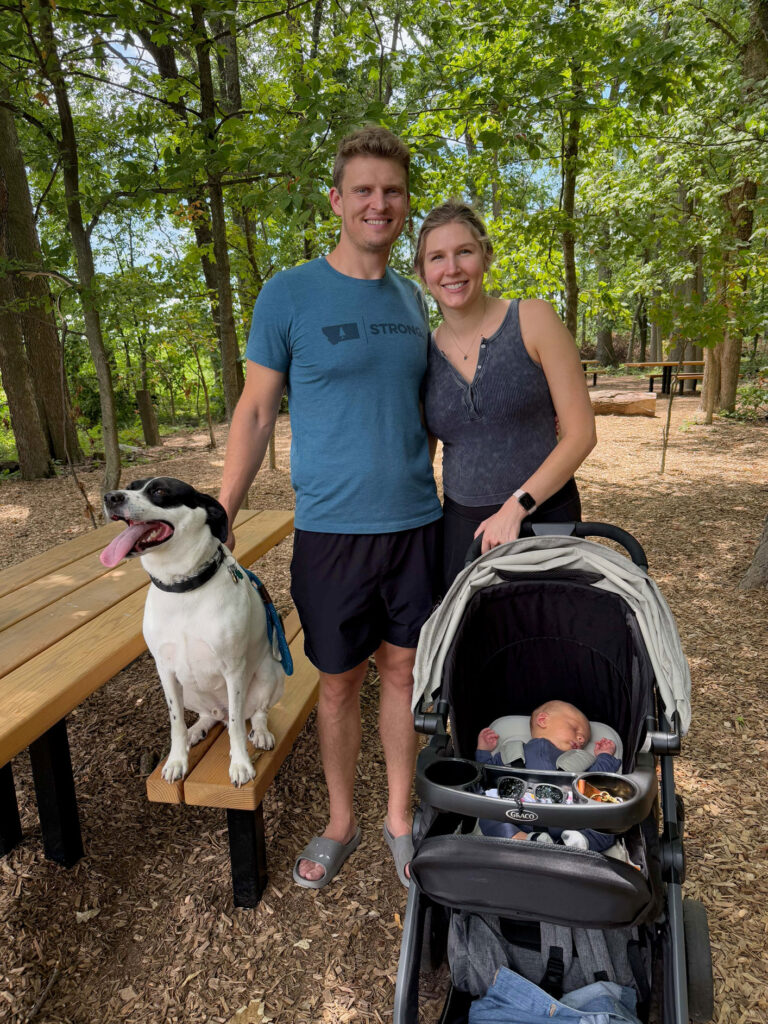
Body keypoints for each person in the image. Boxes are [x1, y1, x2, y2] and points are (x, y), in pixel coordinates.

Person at [217, 127, 442, 890]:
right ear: (337, 201)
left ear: (405, 205)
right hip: (331, 532)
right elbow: (253, 412)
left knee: (404, 673)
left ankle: (401, 819)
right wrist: (223, 507)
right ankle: (343, 821)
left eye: (393, 191)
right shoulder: (287, 294)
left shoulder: (415, 300)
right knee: (340, 681)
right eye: (365, 190)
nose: (379, 203)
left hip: (416, 524)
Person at [415, 202, 597, 590]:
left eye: (464, 251)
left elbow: (581, 434)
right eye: (437, 257)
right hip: (462, 532)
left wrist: (517, 506)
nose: (452, 268)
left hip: (545, 518)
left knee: (550, 643)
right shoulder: (422, 353)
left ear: (485, 256)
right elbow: (420, 454)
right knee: (478, 649)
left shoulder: (534, 319)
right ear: (423, 272)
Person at [475, 700, 620, 851]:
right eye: (575, 729)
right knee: (486, 814)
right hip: (518, 815)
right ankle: (521, 838)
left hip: (566, 818)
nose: (581, 739)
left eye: (584, 739)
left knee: (608, 826)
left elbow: (596, 777)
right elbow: (487, 774)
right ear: (543, 720)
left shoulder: (578, 761)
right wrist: (483, 751)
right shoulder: (510, 752)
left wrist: (604, 756)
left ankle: (574, 843)